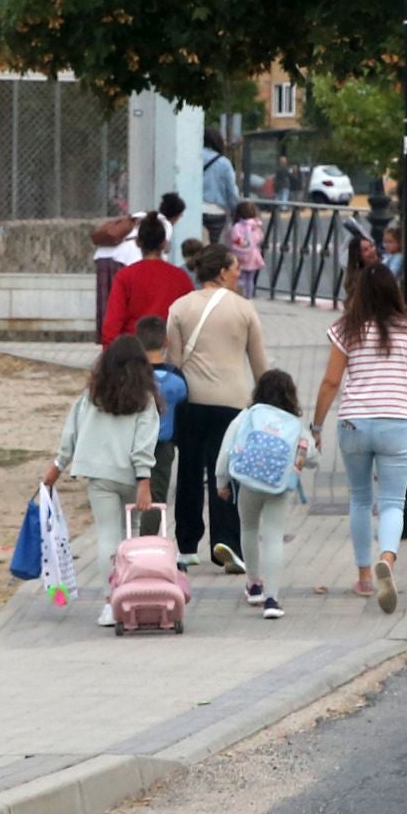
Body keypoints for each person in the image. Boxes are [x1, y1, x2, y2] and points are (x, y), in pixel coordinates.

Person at [310, 264, 407, 615]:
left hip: (354, 424)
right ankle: (387, 561)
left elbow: (331, 382)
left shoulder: (346, 329)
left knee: (361, 500)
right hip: (397, 422)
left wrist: (316, 426)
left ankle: (364, 576)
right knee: (393, 502)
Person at [42, 335, 160, 629]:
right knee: (129, 538)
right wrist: (144, 479)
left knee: (107, 535)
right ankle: (130, 597)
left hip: (99, 475)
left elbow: (72, 433)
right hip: (132, 477)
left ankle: (110, 603)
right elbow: (144, 443)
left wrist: (58, 466)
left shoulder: (93, 396)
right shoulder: (145, 400)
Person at [166, 243, 269, 574]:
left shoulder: (179, 307)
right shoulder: (244, 309)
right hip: (233, 403)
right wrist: (267, 406)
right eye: (236, 267)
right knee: (225, 475)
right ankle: (227, 542)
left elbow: (175, 362)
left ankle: (185, 545)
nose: (240, 272)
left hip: (191, 402)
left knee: (189, 472)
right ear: (222, 271)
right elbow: (259, 365)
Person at [214, 371, 314, 622]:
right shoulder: (293, 424)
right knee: (273, 538)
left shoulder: (248, 415)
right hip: (279, 488)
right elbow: (311, 456)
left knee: (248, 528)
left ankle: (253, 584)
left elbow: (227, 449)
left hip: (248, 484)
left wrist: (221, 481)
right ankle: (272, 598)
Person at [95, 194, 187, 339]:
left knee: (110, 308)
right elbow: (158, 257)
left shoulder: (141, 216)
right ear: (176, 216)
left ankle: (109, 344)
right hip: (125, 260)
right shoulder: (163, 225)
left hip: (103, 257)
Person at [137, 316, 189, 540]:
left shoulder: (133, 375)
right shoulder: (176, 377)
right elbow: (183, 411)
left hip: (133, 441)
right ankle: (146, 541)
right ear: (166, 342)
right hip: (163, 445)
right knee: (155, 496)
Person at [202, 129, 241, 244]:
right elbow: (231, 191)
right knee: (213, 249)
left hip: (195, 210)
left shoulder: (193, 157)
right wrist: (235, 211)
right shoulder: (224, 163)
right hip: (216, 211)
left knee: (195, 247)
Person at [228, 201, 266, 298]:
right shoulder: (256, 225)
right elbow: (260, 237)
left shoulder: (238, 226)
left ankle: (240, 295)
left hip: (240, 255)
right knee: (250, 278)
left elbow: (234, 239)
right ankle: (248, 296)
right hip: (253, 255)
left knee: (240, 277)